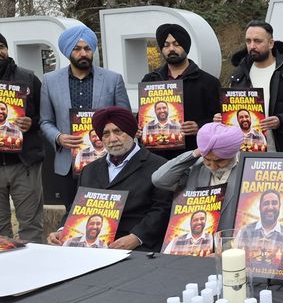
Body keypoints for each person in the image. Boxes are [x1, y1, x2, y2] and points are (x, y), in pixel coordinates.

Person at [47, 107, 171, 251]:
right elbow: (76, 207)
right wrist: (62, 230)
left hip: (135, 247)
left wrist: (137, 237)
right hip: (90, 247)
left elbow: (162, 209)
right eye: (106, 134)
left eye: (118, 131)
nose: (112, 139)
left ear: (131, 131)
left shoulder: (159, 166)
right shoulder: (89, 170)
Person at [40, 24, 131, 210]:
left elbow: (126, 119)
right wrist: (58, 137)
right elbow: (45, 121)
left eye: (87, 48)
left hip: (108, 161)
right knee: (73, 215)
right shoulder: (50, 81)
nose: (83, 53)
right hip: (68, 164)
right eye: (77, 49)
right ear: (68, 51)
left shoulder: (113, 79)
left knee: (108, 214)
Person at [141, 23, 221, 160]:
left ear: (186, 46)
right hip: (156, 158)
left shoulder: (208, 82)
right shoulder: (150, 80)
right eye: (166, 45)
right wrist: (139, 129)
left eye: (176, 44)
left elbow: (221, 121)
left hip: (195, 156)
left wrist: (199, 126)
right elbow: (142, 118)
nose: (171, 49)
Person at [227, 21, 283, 152]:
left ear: (271, 43)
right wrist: (223, 117)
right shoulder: (238, 75)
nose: (252, 46)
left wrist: (281, 120)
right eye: (248, 41)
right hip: (247, 150)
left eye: (257, 41)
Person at [152, 122, 244, 230]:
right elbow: (159, 179)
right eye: (208, 160)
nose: (213, 166)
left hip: (232, 237)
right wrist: (195, 154)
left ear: (232, 154)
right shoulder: (195, 167)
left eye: (220, 161)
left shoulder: (246, 168)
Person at [0, 33, 44, 242]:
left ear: (7, 50)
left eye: (1, 46)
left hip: (24, 164)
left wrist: (31, 123)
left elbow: (46, 117)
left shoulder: (28, 79)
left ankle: (34, 263)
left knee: (31, 228)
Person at [234, 190, 283, 261]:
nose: (270, 207)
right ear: (260, 207)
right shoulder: (244, 231)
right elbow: (235, 260)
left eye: (274, 203)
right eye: (266, 203)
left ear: (279, 207)